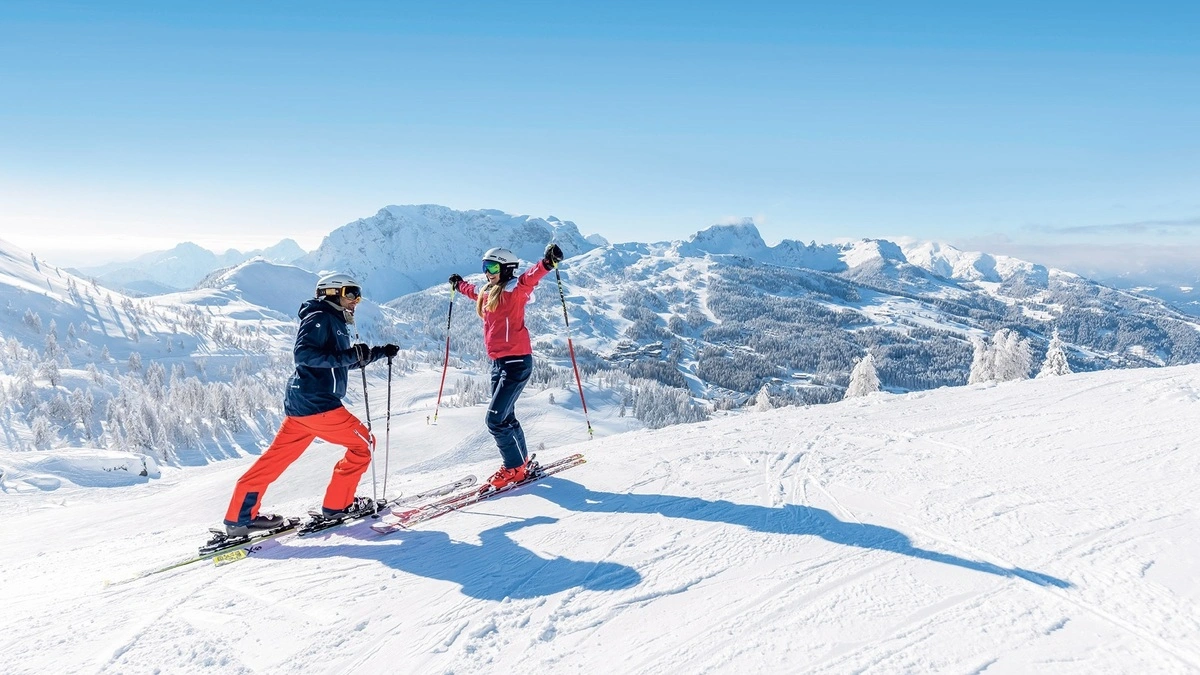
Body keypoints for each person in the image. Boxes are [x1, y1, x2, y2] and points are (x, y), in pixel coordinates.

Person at [222, 273, 399, 536]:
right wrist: (351, 354)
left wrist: (377, 353)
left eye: (358, 294)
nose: (356, 300)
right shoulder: (320, 316)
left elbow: (340, 359)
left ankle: (239, 518)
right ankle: (337, 506)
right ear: (331, 293)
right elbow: (304, 355)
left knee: (273, 461)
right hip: (319, 404)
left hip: (301, 406)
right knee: (363, 445)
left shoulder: (332, 319)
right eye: (351, 293)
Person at [449, 242, 564, 490]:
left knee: (495, 420)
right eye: (484, 266)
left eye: (491, 266)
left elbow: (530, 278)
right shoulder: (490, 291)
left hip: (516, 362)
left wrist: (547, 262)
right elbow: (473, 291)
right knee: (506, 416)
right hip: (499, 363)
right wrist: (459, 285)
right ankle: (520, 464)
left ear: (507, 268)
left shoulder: (515, 289)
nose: (487, 272)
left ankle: (513, 469)